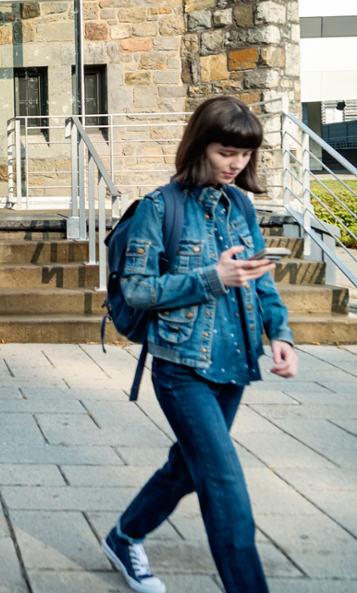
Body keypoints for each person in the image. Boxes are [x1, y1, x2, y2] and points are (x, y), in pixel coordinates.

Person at [101, 96, 297, 593]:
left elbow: (261, 281)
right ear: (199, 146)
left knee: (188, 467)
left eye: (245, 154)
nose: (237, 164)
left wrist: (281, 334)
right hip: (181, 367)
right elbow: (138, 290)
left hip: (234, 365)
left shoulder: (241, 206)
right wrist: (212, 277)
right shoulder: (158, 208)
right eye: (226, 151)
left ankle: (124, 537)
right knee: (224, 483)